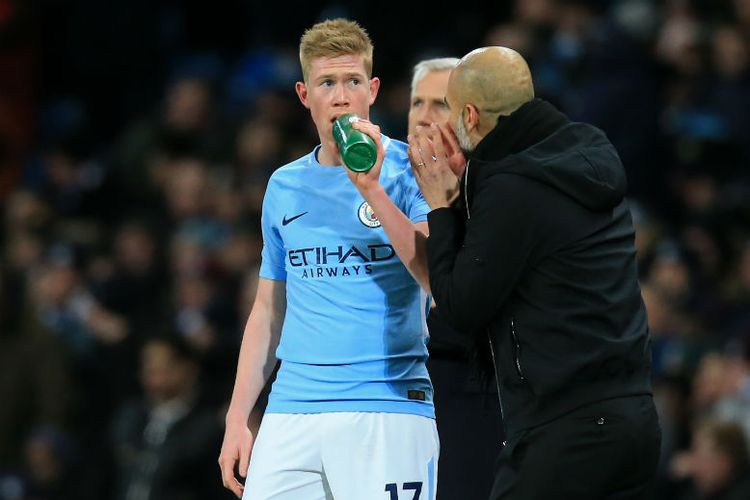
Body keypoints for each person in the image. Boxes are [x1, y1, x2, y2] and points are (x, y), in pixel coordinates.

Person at [408, 46, 661, 499]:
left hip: (567, 431)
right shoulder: (586, 149)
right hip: (634, 418)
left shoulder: (511, 188)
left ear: (469, 115)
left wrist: (442, 208)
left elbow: (461, 306)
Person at [218, 18, 438, 500]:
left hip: (387, 405)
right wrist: (239, 416)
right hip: (291, 409)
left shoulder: (410, 170)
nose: (341, 96)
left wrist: (372, 189)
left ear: (373, 90)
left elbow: (434, 276)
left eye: (353, 81)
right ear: (304, 94)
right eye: (327, 83)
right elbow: (268, 310)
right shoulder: (283, 185)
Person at [408, 57, 503, 500]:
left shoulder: (493, 193)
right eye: (417, 103)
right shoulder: (378, 186)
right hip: (391, 392)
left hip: (467, 390)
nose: (425, 116)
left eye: (440, 104)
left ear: (468, 115)